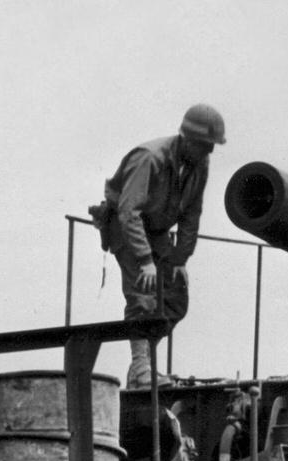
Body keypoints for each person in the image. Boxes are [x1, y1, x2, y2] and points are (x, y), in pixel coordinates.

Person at [95, 103, 226, 389]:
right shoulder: (150, 158)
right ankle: (142, 368)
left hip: (157, 230)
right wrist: (144, 259)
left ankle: (147, 365)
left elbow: (192, 214)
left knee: (175, 295)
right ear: (187, 139)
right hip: (125, 225)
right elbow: (129, 211)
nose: (210, 152)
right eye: (206, 145)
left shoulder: (199, 165)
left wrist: (180, 258)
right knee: (144, 291)